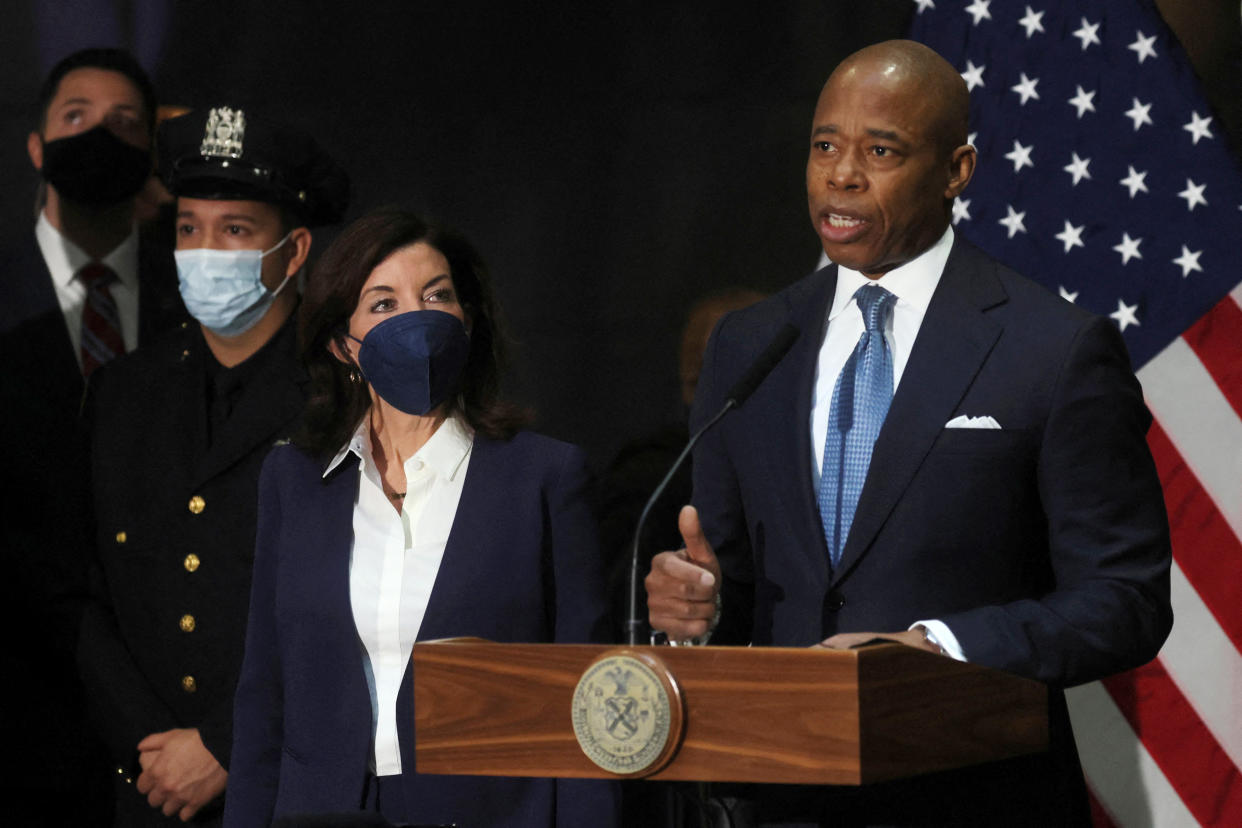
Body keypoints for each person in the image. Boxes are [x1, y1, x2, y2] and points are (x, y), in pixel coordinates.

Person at [645, 40, 1172, 826]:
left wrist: (940, 644)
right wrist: (699, 605)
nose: (842, 174)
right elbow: (735, 574)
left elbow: (1125, 600)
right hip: (783, 793)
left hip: (974, 793)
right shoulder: (751, 344)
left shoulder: (1050, 348)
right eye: (825, 146)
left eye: (880, 150)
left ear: (957, 170)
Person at [224, 208, 619, 828]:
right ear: (341, 343)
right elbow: (263, 694)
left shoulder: (544, 478)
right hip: (320, 813)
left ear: (468, 318)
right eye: (383, 304)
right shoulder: (294, 481)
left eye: (436, 296)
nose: (416, 318)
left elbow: (588, 700)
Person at [79, 105, 349, 826]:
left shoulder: (345, 395)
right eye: (189, 227)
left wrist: (231, 743)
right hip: (148, 789)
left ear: (293, 253)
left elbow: (356, 606)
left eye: (234, 230)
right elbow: (86, 594)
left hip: (288, 785)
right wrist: (149, 749)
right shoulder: (123, 393)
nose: (205, 251)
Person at [0, 46, 184, 822]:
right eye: (77, 118)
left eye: (123, 123)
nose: (99, 137)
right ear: (37, 146)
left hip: (164, 742)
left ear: (151, 150)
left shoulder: (199, 298)